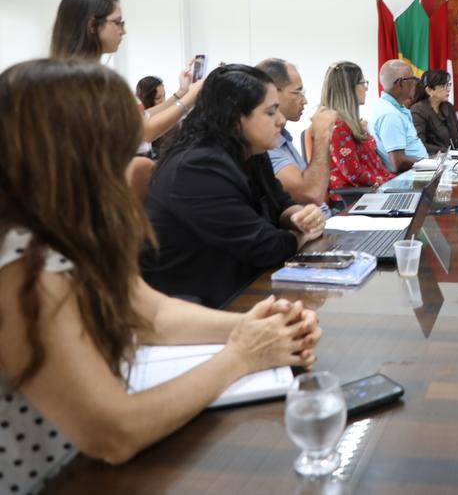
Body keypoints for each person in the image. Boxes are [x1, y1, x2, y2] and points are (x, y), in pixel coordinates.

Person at [0, 60, 320, 492]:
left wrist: (258, 327)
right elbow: (115, 432)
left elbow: (150, 313)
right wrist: (242, 355)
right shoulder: (21, 265)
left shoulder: (72, 229)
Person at [140, 64, 326, 308]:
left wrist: (300, 217)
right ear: (236, 118)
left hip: (241, 287)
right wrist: (304, 234)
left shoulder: (251, 151)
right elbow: (266, 248)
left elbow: (281, 204)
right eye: (270, 112)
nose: (281, 120)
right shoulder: (198, 168)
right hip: (197, 306)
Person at [50, 0, 203, 146]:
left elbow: (138, 118)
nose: (123, 31)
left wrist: (182, 93)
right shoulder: (96, 82)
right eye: (117, 23)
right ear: (93, 26)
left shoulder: (64, 77)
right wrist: (191, 97)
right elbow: (144, 130)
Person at [255, 58, 336, 218]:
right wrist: (321, 136)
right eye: (298, 92)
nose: (304, 101)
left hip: (324, 219)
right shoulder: (264, 144)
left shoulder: (283, 136)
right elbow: (312, 193)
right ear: (272, 93)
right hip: (317, 225)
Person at [320, 61, 395, 198]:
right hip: (357, 199)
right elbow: (355, 175)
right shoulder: (338, 128)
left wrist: (396, 182)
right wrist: (390, 184)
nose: (366, 88)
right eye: (363, 83)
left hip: (375, 191)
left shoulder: (351, 124)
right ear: (348, 88)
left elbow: (373, 166)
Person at [370, 59, 428, 173]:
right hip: (408, 177)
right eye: (413, 79)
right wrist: (431, 164)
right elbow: (399, 162)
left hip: (418, 171)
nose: (416, 83)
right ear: (401, 83)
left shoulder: (393, 108)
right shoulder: (390, 115)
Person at [410, 69, 458, 155]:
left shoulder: (448, 107)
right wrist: (448, 152)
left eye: (448, 85)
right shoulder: (418, 110)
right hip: (431, 159)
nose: (448, 89)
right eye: (443, 86)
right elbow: (420, 144)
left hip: (453, 158)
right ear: (429, 90)